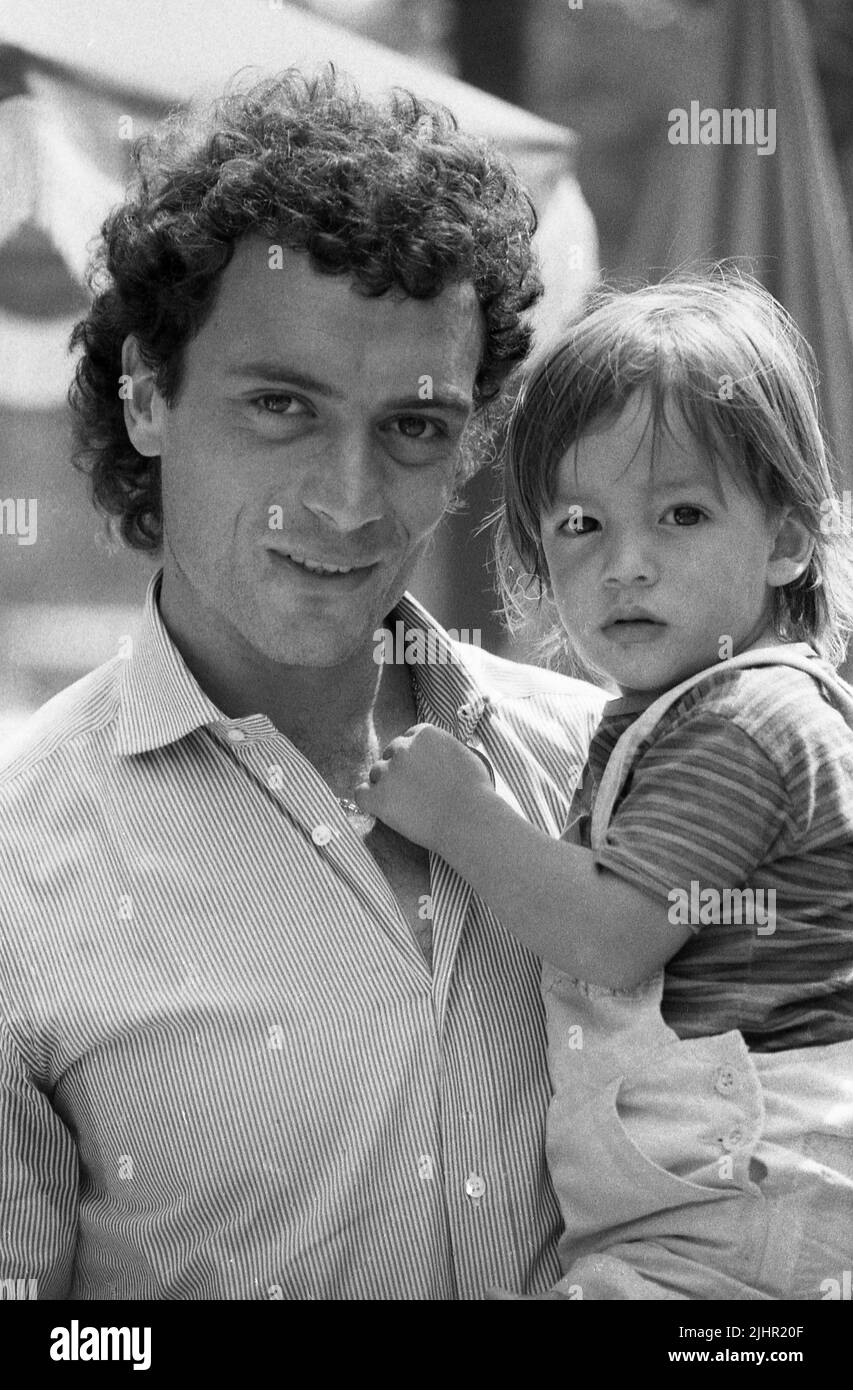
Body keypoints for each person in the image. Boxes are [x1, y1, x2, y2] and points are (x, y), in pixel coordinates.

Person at [0, 67, 606, 1300]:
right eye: (282, 404)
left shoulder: (613, 771)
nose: (345, 497)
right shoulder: (20, 870)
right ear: (149, 397)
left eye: (415, 426)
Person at [357, 272, 853, 1300]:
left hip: (742, 1212)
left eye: (679, 513)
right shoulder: (681, 707)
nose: (625, 563)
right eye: (581, 524)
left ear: (787, 539)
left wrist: (460, 812)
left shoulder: (746, 724)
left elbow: (611, 936)